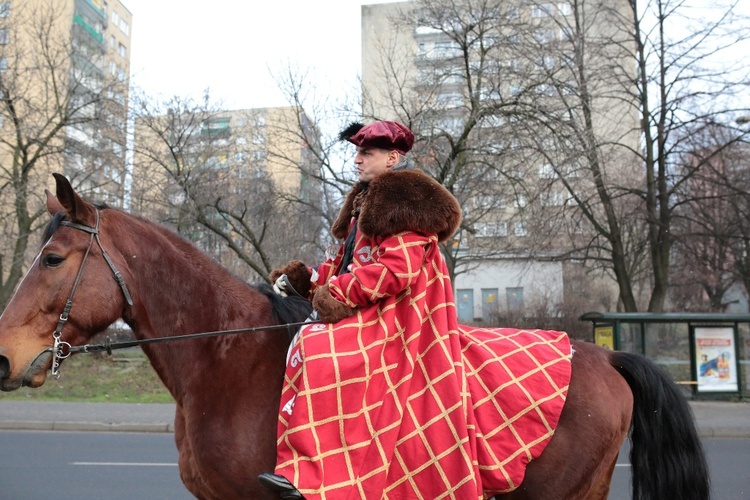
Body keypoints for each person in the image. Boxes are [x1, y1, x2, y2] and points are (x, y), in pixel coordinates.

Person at [259, 121, 572, 499]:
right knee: (302, 339)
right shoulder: (365, 201)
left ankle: (314, 477)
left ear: (392, 157)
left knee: (318, 349)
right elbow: (346, 265)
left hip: (399, 317)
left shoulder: (406, 203)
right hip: (370, 308)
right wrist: (307, 280)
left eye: (366, 153)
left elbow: (394, 271)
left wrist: (336, 291)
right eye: (356, 153)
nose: (357, 160)